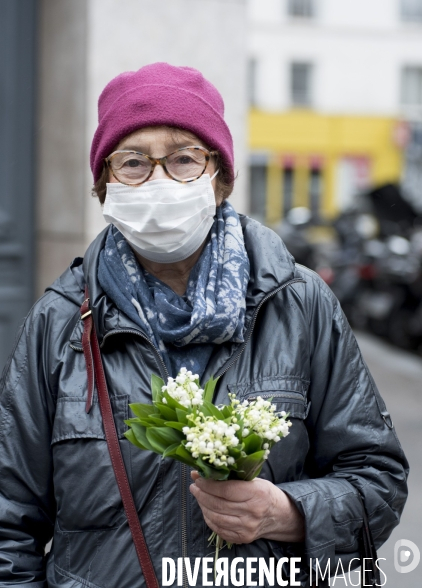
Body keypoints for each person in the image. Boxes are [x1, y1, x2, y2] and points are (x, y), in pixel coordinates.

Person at [0, 63, 408, 588]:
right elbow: (10, 521)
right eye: (132, 163)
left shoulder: (299, 304)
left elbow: (378, 478)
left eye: (184, 159)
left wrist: (287, 512)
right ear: (103, 186)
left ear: (221, 179)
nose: (159, 180)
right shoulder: (59, 321)